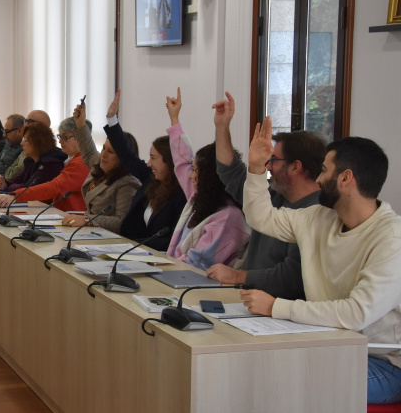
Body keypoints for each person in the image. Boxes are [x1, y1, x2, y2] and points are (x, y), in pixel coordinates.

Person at [239, 119, 401, 405]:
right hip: (328, 344)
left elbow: (355, 314)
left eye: (324, 170)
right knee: (256, 365)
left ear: (345, 178)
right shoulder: (320, 218)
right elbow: (260, 218)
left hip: (382, 364)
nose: (317, 179)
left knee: (293, 381)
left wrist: (278, 307)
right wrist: (255, 168)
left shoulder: (392, 238)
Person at [205, 92, 324, 300]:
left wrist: (237, 276)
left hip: (282, 312)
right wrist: (222, 127)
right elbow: (230, 172)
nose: (268, 167)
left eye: (274, 160)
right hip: (250, 302)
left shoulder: (319, 212)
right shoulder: (275, 194)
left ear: (296, 167)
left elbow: (291, 277)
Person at [164, 88, 249, 269]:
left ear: (210, 176)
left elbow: (200, 262)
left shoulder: (228, 216)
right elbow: (182, 161)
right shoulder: (201, 197)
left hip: (198, 284)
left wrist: (160, 265)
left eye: (196, 171)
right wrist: (174, 119)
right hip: (178, 274)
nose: (190, 175)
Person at [105, 90, 186, 252]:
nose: (148, 164)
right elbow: (127, 155)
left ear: (169, 161)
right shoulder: (151, 178)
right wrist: (112, 119)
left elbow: (172, 241)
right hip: (133, 251)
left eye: (153, 158)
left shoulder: (182, 194)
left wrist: (134, 245)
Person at [61, 103, 141, 232]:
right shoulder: (101, 167)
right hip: (89, 233)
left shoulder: (128, 182)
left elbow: (122, 222)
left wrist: (87, 220)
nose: (103, 154)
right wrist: (81, 124)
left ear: (124, 157)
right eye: (103, 148)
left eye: (110, 152)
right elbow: (89, 152)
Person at [0, 117, 88, 212]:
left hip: (70, 216)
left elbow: (54, 187)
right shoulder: (71, 159)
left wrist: (16, 195)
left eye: (65, 137)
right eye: (60, 136)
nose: (60, 141)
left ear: (80, 136)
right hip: (61, 213)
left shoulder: (79, 162)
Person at [0, 122, 66, 200]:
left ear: (38, 142)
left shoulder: (51, 164)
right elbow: (15, 180)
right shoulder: (31, 161)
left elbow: (26, 189)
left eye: (25, 140)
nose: (21, 143)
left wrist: (6, 187)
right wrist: (5, 184)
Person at [1, 109, 52, 181]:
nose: (25, 125)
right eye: (26, 121)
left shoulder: (45, 152)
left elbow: (19, 180)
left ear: (43, 126)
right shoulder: (26, 146)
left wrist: (6, 184)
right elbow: (10, 175)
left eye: (30, 121)